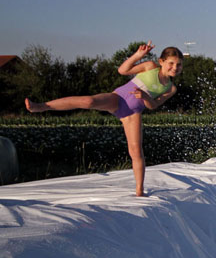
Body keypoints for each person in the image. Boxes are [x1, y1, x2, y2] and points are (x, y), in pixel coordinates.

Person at [25, 42, 183, 197]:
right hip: (118, 99)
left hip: (133, 113)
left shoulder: (170, 88)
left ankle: (139, 190)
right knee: (89, 101)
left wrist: (145, 96)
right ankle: (41, 106)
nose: (175, 68)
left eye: (179, 65)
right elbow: (122, 70)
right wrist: (138, 55)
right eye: (171, 63)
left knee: (136, 151)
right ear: (161, 61)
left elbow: (153, 105)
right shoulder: (150, 66)